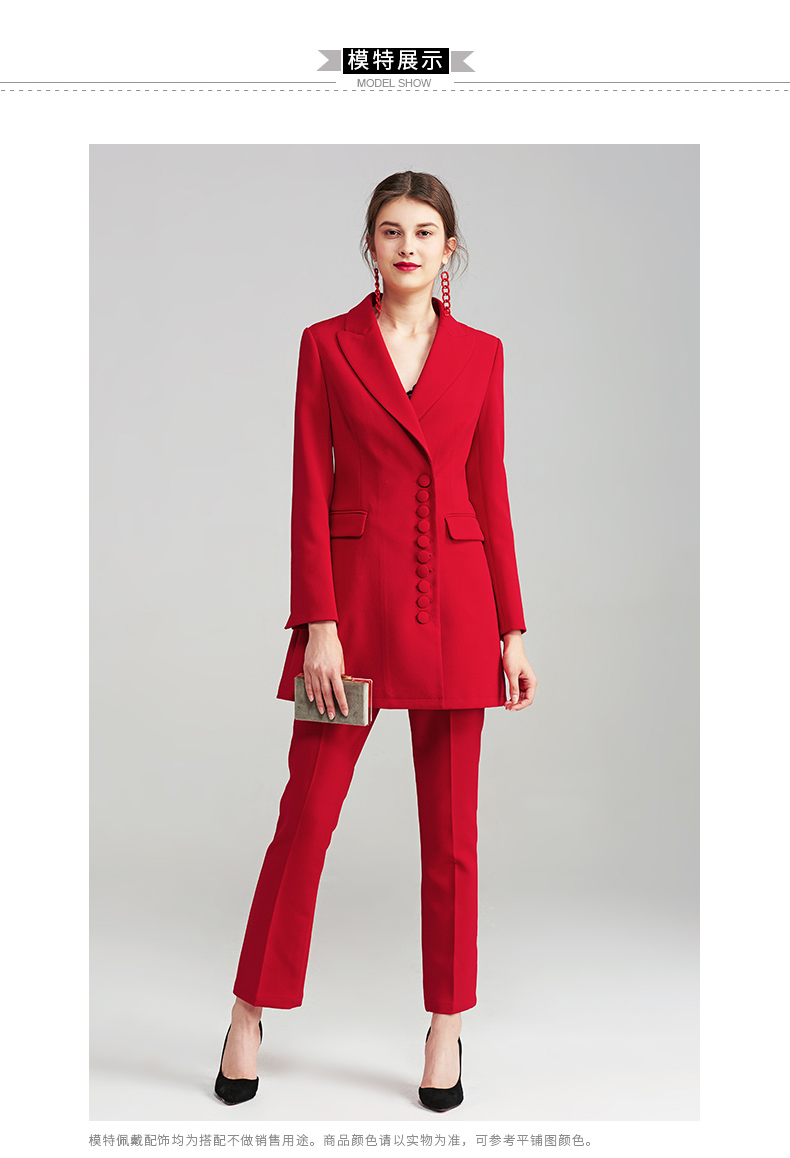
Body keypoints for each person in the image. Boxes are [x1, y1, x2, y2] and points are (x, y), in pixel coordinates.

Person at [214, 171, 538, 1110]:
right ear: (370, 245)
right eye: (391, 231)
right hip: (351, 614)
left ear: (448, 249)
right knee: (305, 820)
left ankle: (446, 1028)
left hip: (459, 606)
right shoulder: (326, 345)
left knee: (453, 837)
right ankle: (247, 1012)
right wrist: (317, 622)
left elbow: (491, 492)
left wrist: (513, 628)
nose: (407, 246)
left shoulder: (483, 355)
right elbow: (308, 488)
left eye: (424, 232)